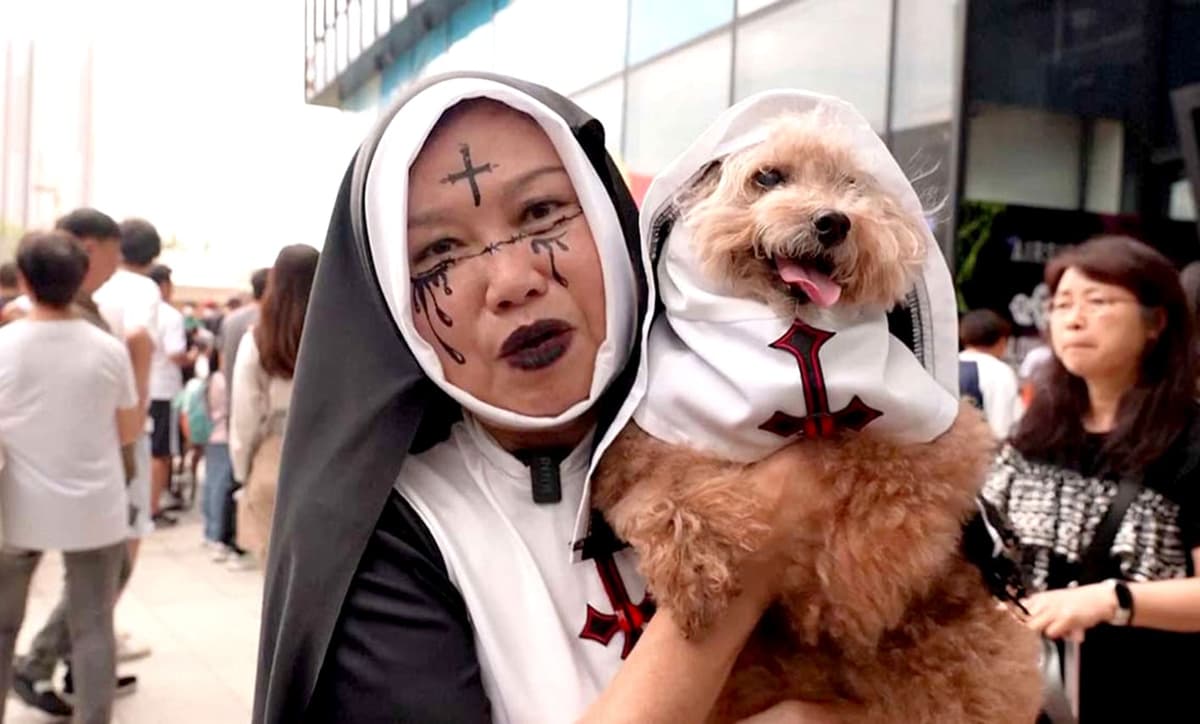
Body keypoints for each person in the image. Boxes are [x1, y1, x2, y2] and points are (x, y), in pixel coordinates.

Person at [252, 73, 850, 724]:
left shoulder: (772, 422)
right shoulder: (393, 538)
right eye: (440, 251)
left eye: (540, 211)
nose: (512, 281)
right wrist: (747, 562)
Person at [983, 236, 1200, 722]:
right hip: (1030, 697)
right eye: (1061, 304)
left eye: (1098, 302)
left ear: (1156, 322)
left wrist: (1111, 600)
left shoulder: (1188, 443)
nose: (1074, 319)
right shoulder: (1035, 433)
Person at [0, 231, 142, 724]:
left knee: (2, 627)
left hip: (17, 507)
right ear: (82, 278)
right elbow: (128, 429)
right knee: (93, 628)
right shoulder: (107, 349)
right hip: (94, 508)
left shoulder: (4, 346)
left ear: (24, 280)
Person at [229, 245, 318, 566]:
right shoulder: (343, 334)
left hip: (276, 454)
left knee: (277, 571)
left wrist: (242, 468)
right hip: (331, 453)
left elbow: (246, 414)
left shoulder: (259, 339)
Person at [146, 264, 191, 525]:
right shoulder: (170, 315)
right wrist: (191, 357)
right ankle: (153, 508)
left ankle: (144, 505)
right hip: (164, 389)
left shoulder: (138, 309)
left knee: (145, 450)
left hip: (142, 388)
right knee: (161, 452)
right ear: (163, 285)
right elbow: (175, 353)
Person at [959, 309, 1024, 440]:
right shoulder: (999, 371)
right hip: (982, 448)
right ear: (1002, 341)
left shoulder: (946, 366)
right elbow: (1002, 428)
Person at [218, 267, 268, 413]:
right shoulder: (269, 321)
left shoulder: (229, 319)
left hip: (232, 399)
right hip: (259, 408)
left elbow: (222, 362)